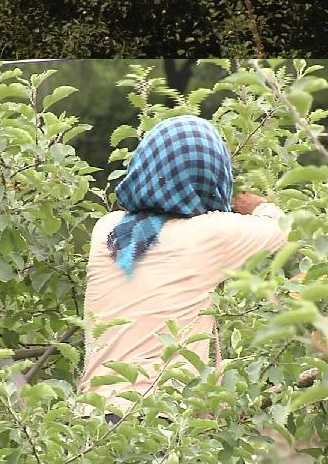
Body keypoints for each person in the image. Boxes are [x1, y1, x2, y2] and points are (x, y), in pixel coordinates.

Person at [78, 115, 288, 422]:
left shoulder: (106, 231)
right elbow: (285, 230)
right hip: (157, 421)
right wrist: (258, 206)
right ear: (210, 176)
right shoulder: (209, 235)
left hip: (91, 419)